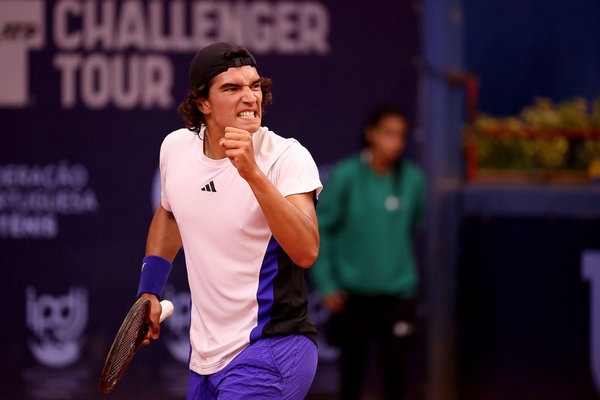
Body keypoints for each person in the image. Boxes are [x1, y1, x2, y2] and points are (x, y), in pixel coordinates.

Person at [136, 42, 322, 400]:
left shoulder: (286, 156)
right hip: (204, 358)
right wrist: (150, 291)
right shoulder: (176, 148)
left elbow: (306, 250)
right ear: (203, 103)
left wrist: (252, 174)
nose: (250, 97)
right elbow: (170, 213)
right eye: (232, 88)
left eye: (255, 86)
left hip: (272, 347)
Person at [310, 105, 426, 400]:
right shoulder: (346, 176)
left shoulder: (413, 180)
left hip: (397, 294)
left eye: (401, 135)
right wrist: (327, 283)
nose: (396, 142)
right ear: (371, 134)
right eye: (388, 133)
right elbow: (321, 229)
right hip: (352, 296)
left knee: (396, 372)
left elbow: (412, 226)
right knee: (351, 373)